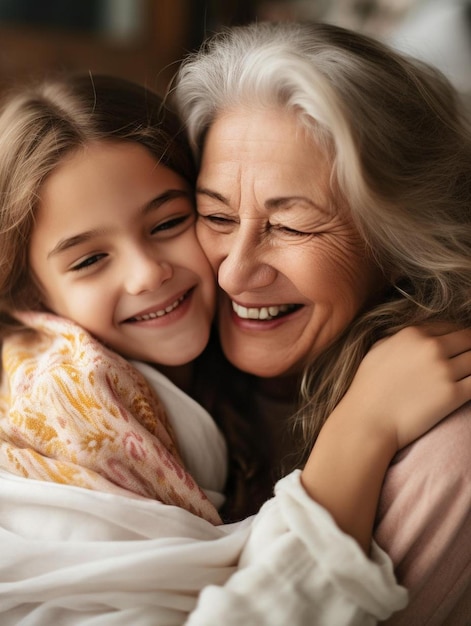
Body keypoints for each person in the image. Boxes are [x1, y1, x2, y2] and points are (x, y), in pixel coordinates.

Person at [0, 72, 469, 625]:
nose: (148, 273)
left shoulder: (201, 386)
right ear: (31, 291)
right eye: (89, 260)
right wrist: (364, 425)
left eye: (171, 222)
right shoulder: (68, 393)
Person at [172, 19, 471, 626]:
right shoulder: (135, 366)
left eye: (290, 225)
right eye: (217, 217)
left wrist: (362, 430)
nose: (234, 275)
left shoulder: (449, 454)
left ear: (397, 241)